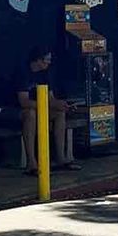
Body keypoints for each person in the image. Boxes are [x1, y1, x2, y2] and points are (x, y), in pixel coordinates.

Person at [16, 46, 78, 174]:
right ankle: (31, 162)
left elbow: (50, 98)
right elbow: (23, 102)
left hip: (41, 108)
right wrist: (46, 105)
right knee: (30, 114)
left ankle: (61, 158)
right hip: (15, 110)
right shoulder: (23, 74)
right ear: (37, 60)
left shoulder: (46, 74)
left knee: (60, 113)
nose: (49, 63)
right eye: (46, 60)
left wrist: (60, 105)